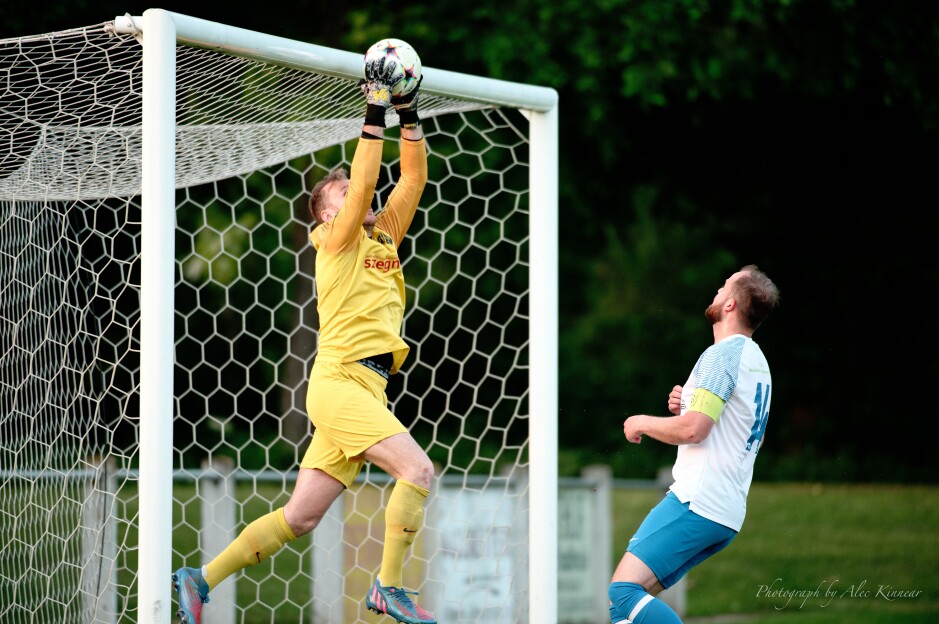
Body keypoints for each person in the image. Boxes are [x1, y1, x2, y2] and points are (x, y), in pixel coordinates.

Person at [172, 57, 437, 624]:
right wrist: (374, 104)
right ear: (324, 215)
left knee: (301, 517)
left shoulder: (381, 235)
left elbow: (411, 177)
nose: (356, 193)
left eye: (353, 189)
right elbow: (367, 177)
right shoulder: (333, 241)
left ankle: (201, 577)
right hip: (340, 384)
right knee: (417, 472)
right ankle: (388, 587)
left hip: (368, 389)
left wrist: (408, 107)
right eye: (342, 192)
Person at [608, 264, 780, 624]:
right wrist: (687, 401)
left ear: (730, 304)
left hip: (697, 501)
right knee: (625, 612)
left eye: (723, 287)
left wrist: (641, 421)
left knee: (623, 592)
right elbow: (721, 417)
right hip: (726, 510)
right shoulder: (755, 360)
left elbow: (694, 430)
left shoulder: (723, 354)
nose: (716, 291)